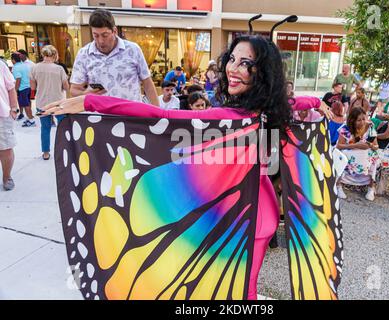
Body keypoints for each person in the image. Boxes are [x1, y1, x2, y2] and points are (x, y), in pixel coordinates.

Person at [42, 34, 332, 300]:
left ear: (261, 74)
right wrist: (317, 101)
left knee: (238, 289)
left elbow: (157, 115)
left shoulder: (230, 116)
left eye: (246, 64)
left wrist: (93, 102)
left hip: (247, 214)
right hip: (255, 208)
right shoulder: (265, 108)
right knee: (238, 285)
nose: (233, 68)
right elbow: (292, 101)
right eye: (232, 59)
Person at [70, 8, 159, 106]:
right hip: (99, 117)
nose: (100, 41)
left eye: (105, 35)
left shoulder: (133, 49)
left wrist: (159, 113)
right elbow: (74, 90)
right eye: (96, 35)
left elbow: (147, 83)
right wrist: (85, 94)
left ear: (114, 31)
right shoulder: (84, 54)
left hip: (131, 115)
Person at [30, 45, 69, 160]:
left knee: (45, 128)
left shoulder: (35, 68)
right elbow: (66, 87)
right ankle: (64, 149)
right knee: (62, 127)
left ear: (43, 55)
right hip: (58, 103)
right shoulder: (59, 69)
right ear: (54, 55)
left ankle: (46, 153)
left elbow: (33, 87)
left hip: (42, 102)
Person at [336, 107, 380, 201]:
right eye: (359, 120)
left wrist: (370, 145)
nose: (362, 122)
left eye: (364, 119)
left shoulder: (370, 127)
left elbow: (376, 146)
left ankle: (371, 187)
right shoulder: (346, 128)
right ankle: (338, 185)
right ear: (352, 120)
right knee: (346, 155)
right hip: (350, 151)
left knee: (373, 155)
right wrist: (355, 145)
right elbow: (338, 146)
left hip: (366, 152)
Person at [0, 59, 18, 191]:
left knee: (6, 147)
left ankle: (7, 177)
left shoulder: (1, 65)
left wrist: (13, 108)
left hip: (2, 114)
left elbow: (11, 88)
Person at [11, 52, 35, 126]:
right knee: (28, 103)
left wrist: (15, 90)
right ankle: (30, 117)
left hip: (22, 88)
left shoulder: (15, 67)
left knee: (25, 105)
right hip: (29, 87)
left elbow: (18, 79)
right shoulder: (25, 65)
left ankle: (31, 121)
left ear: (13, 60)